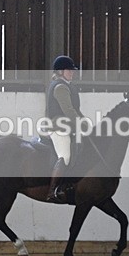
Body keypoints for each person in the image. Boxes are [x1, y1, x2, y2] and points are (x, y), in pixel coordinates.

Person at [45, 55, 83, 202]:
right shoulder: (60, 87)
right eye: (69, 70)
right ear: (60, 71)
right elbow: (68, 110)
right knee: (65, 156)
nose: (72, 73)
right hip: (58, 127)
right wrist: (81, 123)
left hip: (66, 126)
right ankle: (51, 191)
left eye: (72, 71)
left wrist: (85, 122)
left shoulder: (67, 86)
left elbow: (76, 110)